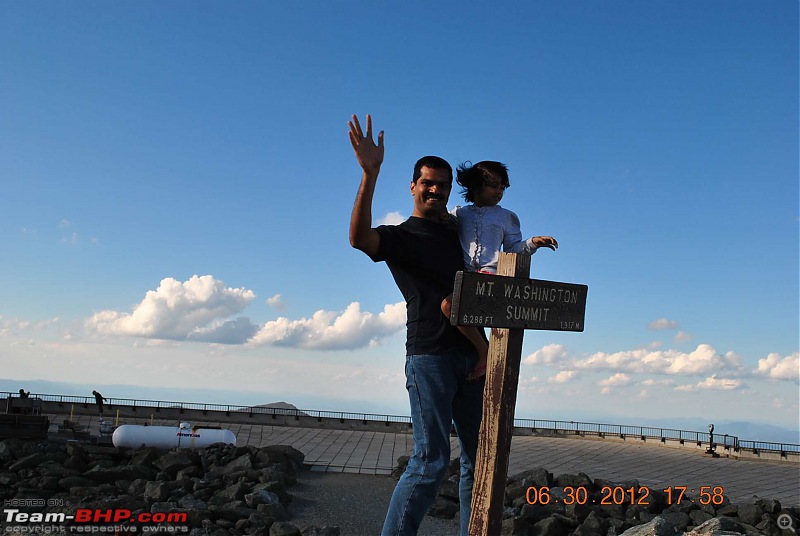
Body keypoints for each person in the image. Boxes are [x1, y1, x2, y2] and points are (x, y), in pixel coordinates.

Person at [348, 114, 483, 536]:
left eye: (442, 185)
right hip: (429, 357)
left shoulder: (456, 232)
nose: (436, 190)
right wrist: (370, 174)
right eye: (428, 182)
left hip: (472, 357)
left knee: (480, 460)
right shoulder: (401, 237)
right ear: (413, 186)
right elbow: (359, 239)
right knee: (430, 461)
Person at [442, 160, 558, 380]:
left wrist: (533, 242)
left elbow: (513, 249)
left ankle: (486, 355)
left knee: (457, 308)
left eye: (502, 187)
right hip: (467, 278)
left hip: (494, 278)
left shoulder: (506, 217)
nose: (499, 191)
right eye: (493, 185)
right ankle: (484, 352)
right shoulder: (459, 214)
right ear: (475, 186)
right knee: (449, 306)